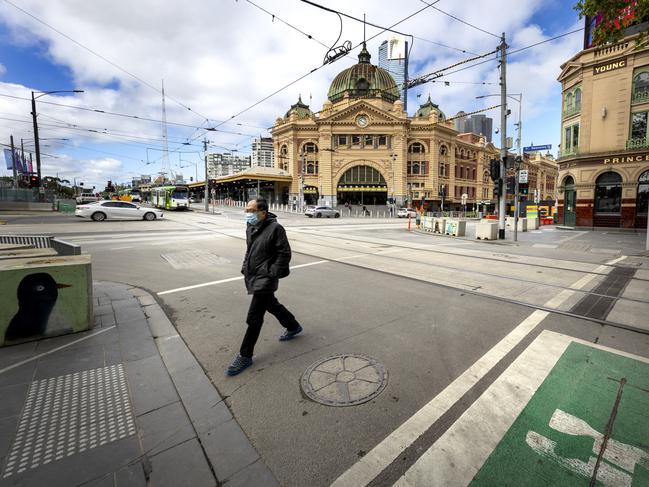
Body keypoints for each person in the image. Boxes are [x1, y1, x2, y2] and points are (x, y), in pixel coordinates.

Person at [226, 199, 303, 376]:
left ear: (263, 212)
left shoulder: (276, 229)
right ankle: (293, 326)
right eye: (247, 210)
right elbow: (249, 249)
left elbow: (284, 254)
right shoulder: (250, 226)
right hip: (253, 274)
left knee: (254, 317)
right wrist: (245, 266)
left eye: (251, 210)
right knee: (271, 305)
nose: (248, 213)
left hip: (266, 278)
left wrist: (271, 272)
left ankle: (245, 355)